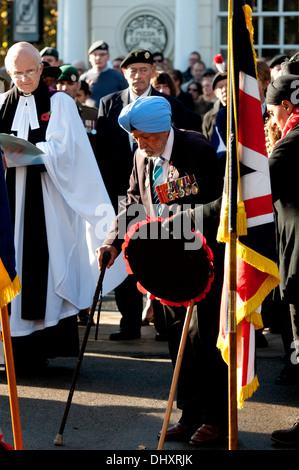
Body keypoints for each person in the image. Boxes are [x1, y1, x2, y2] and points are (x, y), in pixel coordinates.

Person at [96, 96, 228, 445]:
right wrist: (113, 240)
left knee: (204, 339)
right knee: (175, 339)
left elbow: (217, 203)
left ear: (161, 128)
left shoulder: (194, 148)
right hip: (163, 262)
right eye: (135, 137)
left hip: (200, 259)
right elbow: (133, 201)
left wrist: (178, 223)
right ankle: (189, 412)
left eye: (144, 137)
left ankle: (216, 418)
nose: (139, 144)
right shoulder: (142, 155)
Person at [0, 42, 124, 373]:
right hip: (8, 200)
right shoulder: (1, 104)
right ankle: (7, 352)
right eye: (17, 73)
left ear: (42, 70)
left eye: (30, 71)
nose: (24, 79)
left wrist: (27, 153)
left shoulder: (59, 103)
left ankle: (38, 350)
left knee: (45, 266)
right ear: (8, 73)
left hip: (46, 200)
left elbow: (67, 152)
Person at [96, 48, 188, 341]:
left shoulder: (168, 104)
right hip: (124, 194)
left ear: (153, 72)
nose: (138, 75)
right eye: (132, 70)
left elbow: (187, 137)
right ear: (124, 73)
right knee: (126, 253)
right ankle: (129, 321)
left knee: (161, 253)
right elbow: (100, 152)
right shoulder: (109, 104)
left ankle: (164, 321)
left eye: (144, 69)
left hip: (163, 195)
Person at [80, 40, 128, 108]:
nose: (98, 58)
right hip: (89, 117)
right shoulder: (83, 78)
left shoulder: (119, 77)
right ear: (89, 57)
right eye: (95, 55)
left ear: (108, 57)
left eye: (102, 55)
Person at [202, 72, 228, 142]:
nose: (224, 89)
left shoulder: (244, 112)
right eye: (220, 87)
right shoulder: (208, 117)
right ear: (215, 92)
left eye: (228, 85)